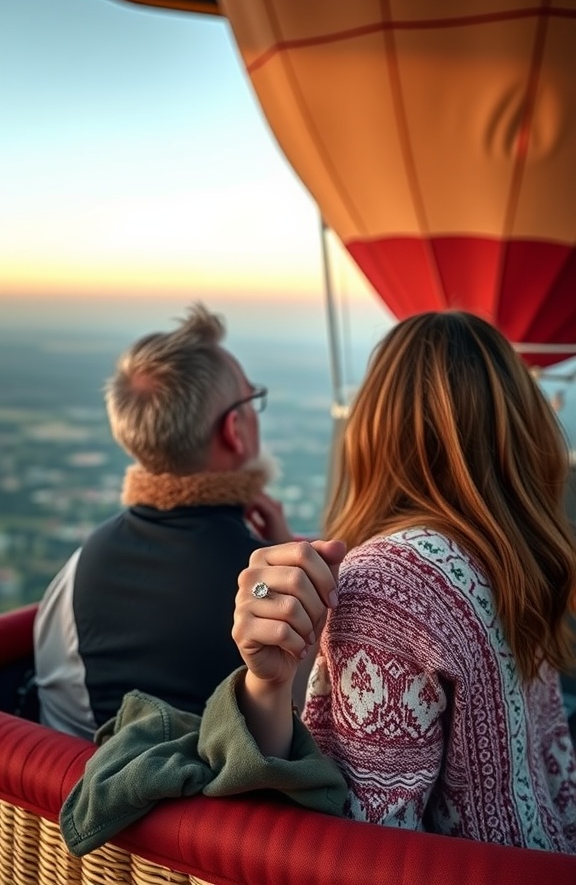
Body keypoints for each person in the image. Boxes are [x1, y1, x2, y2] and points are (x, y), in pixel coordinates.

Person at [232, 311, 576, 852]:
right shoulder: (519, 560)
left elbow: (358, 844)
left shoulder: (387, 590)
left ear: (374, 428)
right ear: (522, 426)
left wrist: (267, 685)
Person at [34, 302, 291, 739]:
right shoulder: (271, 590)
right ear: (234, 429)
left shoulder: (79, 568)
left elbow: (58, 712)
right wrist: (288, 556)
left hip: (66, 799)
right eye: (252, 401)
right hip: (221, 806)